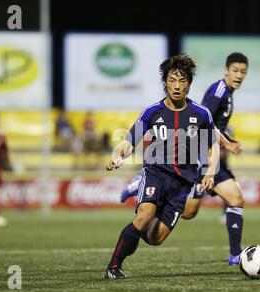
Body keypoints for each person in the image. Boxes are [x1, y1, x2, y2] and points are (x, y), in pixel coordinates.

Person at [120, 52, 247, 265]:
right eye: (235, 70)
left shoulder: (228, 93)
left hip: (205, 158)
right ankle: (235, 254)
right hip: (200, 158)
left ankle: (235, 253)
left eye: (243, 72)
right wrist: (226, 144)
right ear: (226, 71)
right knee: (236, 199)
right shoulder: (218, 93)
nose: (239, 75)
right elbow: (205, 122)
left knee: (188, 212)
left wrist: (226, 143)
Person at [104, 54, 220, 279]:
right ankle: (113, 267)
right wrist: (119, 156)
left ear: (189, 84)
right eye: (172, 80)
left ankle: (133, 236)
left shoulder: (201, 114)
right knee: (145, 214)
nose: (177, 86)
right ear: (164, 82)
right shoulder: (152, 112)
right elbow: (129, 141)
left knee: (154, 238)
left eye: (182, 81)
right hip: (155, 173)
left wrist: (210, 172)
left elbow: (213, 146)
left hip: (182, 183)